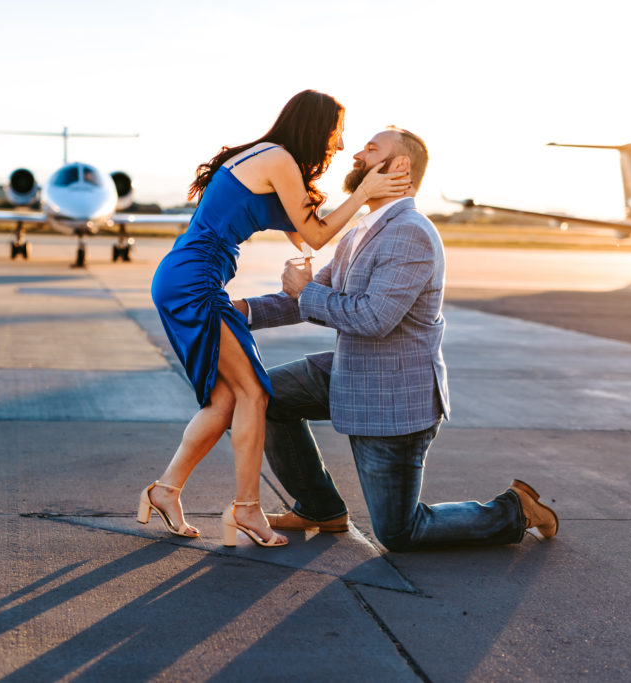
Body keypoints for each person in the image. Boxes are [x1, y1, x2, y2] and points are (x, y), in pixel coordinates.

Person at [233, 127, 559, 551]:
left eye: (371, 150)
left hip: (394, 399)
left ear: (399, 165)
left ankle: (515, 510)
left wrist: (307, 290)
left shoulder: (410, 233)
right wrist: (240, 312)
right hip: (350, 373)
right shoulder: (362, 230)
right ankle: (319, 508)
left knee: (399, 532)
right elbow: (307, 299)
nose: (357, 155)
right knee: (264, 394)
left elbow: (372, 318)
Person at [139, 91, 411, 548]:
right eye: (337, 133)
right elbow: (318, 234)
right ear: (317, 126)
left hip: (189, 276)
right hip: (195, 279)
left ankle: (165, 491)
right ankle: (246, 507)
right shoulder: (278, 159)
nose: (341, 145)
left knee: (226, 400)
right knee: (255, 392)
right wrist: (364, 193)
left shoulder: (275, 164)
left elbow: (307, 240)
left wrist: (303, 270)